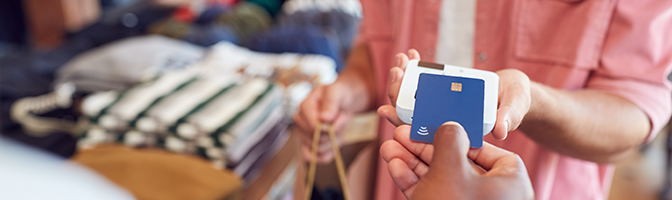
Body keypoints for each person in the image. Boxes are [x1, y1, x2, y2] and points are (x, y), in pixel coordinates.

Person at [293, 0, 672, 199]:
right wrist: (350, 88)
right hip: (401, 179)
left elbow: (633, 109)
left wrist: (530, 102)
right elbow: (377, 39)